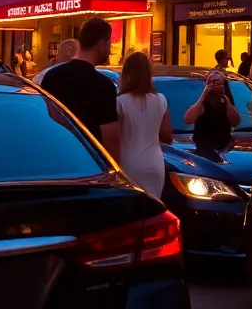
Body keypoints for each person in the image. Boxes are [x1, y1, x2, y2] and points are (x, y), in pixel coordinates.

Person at [40, 18, 121, 159]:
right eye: (109, 44)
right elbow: (111, 136)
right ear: (101, 44)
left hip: (55, 155)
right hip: (88, 162)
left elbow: (45, 119)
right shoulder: (104, 85)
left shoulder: (51, 76)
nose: (109, 50)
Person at [115, 52, 173, 197]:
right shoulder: (161, 100)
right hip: (154, 163)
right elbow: (167, 136)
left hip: (127, 163)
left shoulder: (120, 102)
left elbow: (114, 136)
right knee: (152, 211)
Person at [184, 70, 240, 152]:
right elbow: (188, 119)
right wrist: (205, 94)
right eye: (212, 83)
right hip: (203, 148)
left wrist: (225, 97)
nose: (215, 86)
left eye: (219, 83)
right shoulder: (202, 104)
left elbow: (236, 122)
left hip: (223, 147)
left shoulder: (227, 104)